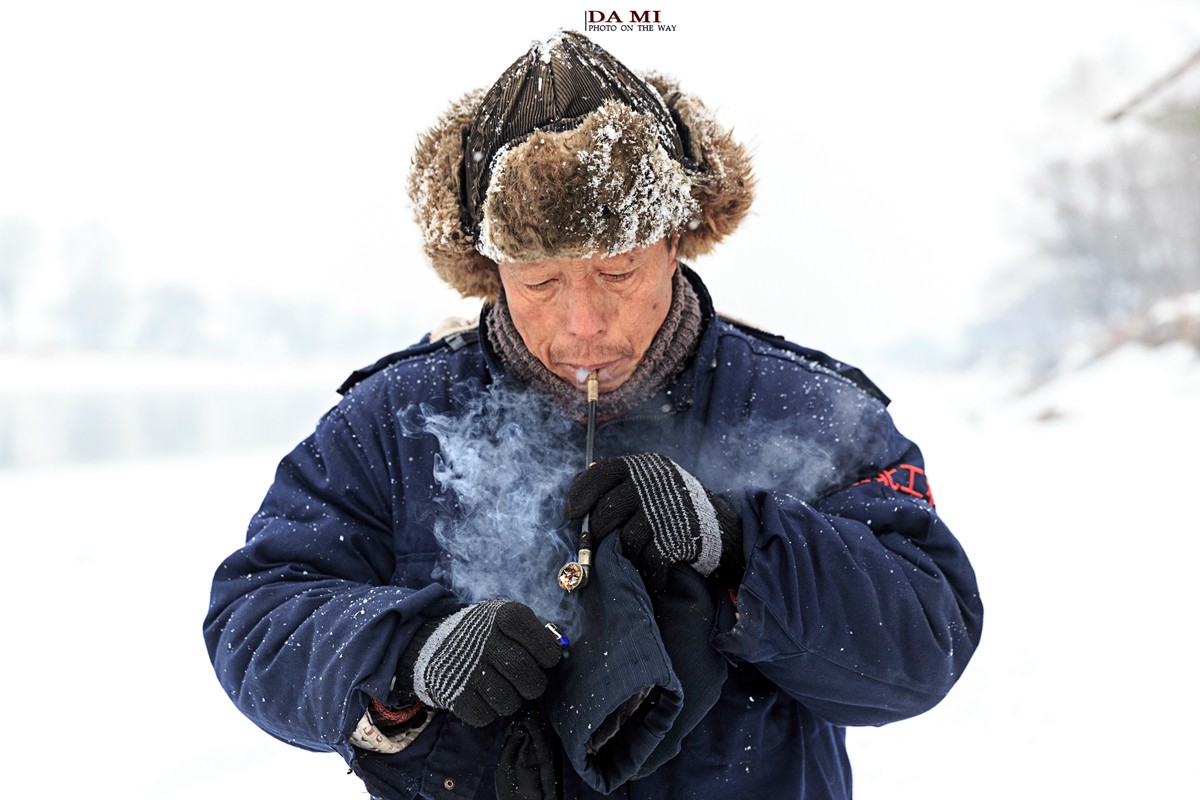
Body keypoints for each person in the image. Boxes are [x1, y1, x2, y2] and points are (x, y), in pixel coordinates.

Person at [204, 30, 983, 800]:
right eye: (541, 283)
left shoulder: (809, 411)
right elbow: (256, 614)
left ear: (675, 241)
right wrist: (411, 654)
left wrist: (738, 542)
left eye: (617, 271)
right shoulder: (392, 422)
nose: (583, 325)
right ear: (488, 267)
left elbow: (928, 636)